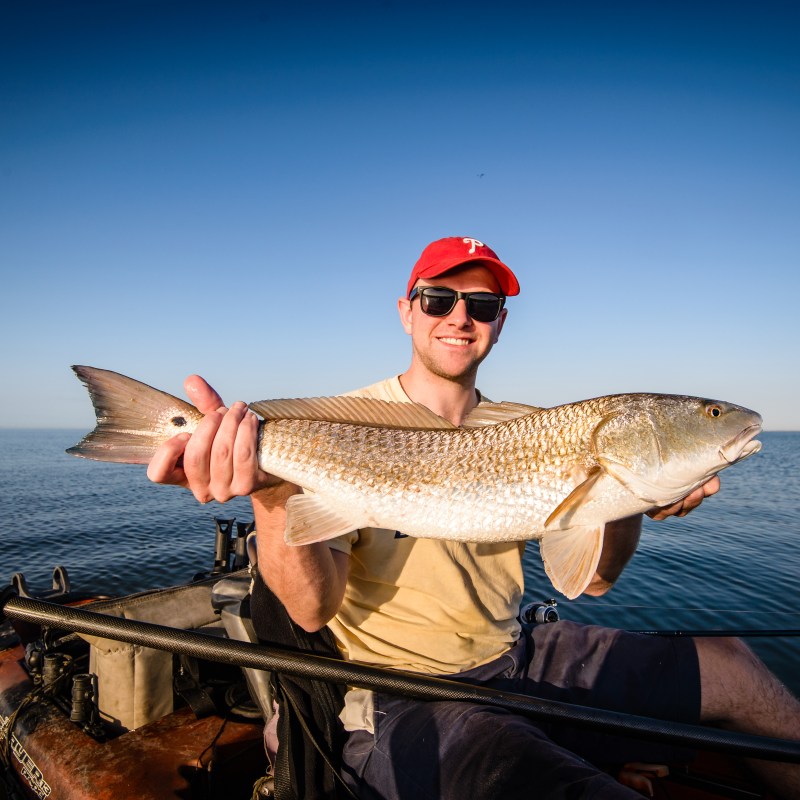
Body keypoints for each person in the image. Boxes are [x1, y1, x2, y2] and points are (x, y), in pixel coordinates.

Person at [148, 237, 800, 798]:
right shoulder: (342, 424)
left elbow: (588, 584)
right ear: (406, 312)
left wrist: (627, 500)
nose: (461, 317)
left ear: (500, 322)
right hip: (396, 693)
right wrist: (269, 491)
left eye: (482, 306)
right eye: (439, 299)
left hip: (513, 657)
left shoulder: (528, 427)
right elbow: (313, 611)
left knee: (739, 670)